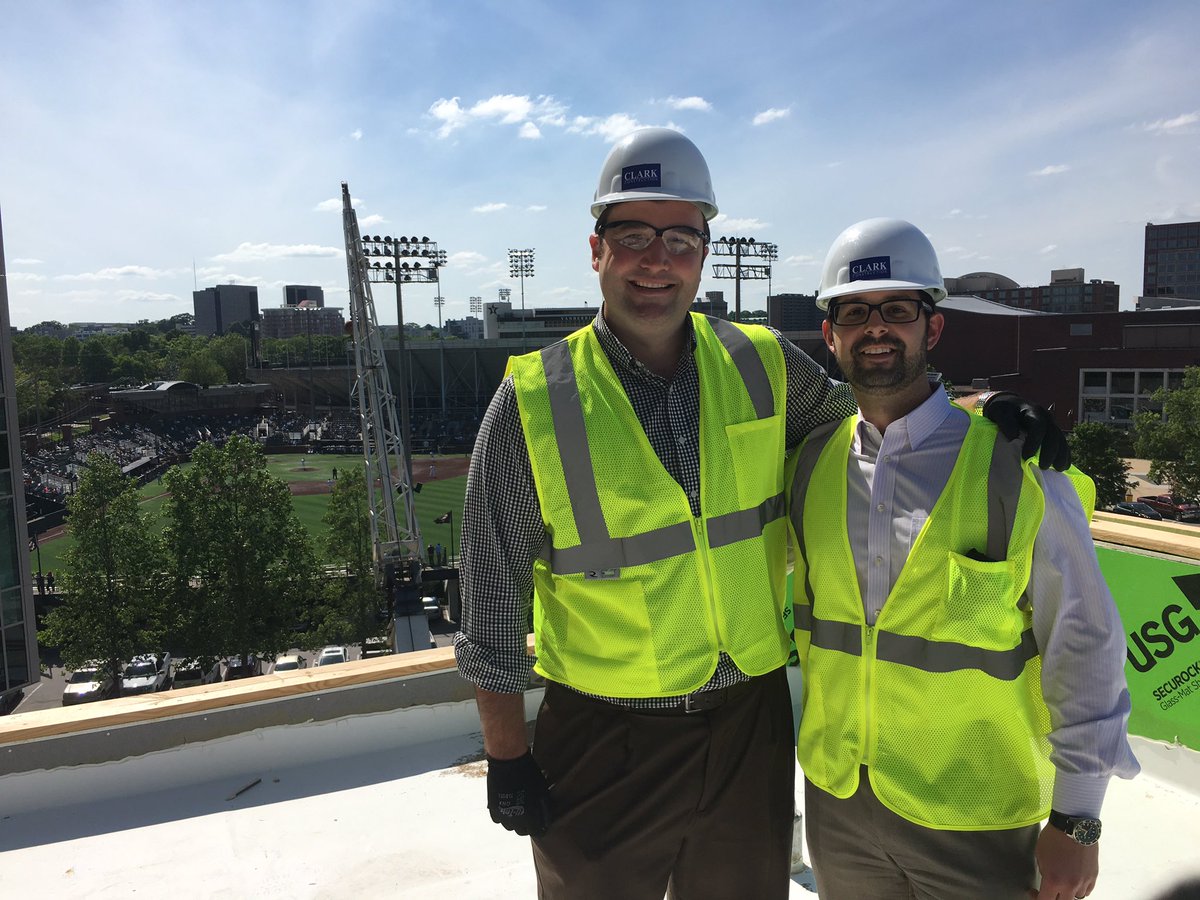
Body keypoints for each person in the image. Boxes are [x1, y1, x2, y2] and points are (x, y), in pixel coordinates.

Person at [454, 131, 1066, 900]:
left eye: (680, 238)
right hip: (606, 734)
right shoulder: (534, 402)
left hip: (749, 721)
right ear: (596, 249)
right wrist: (507, 754)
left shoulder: (761, 361)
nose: (657, 259)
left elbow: (871, 416)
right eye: (633, 235)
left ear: (705, 251)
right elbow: (491, 592)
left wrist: (971, 407)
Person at [786, 218, 1139, 900]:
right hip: (840, 804)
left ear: (932, 328)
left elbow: (1085, 642)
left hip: (978, 815)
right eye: (854, 312)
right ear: (830, 335)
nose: (876, 328)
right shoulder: (809, 467)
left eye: (897, 309)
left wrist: (1079, 816)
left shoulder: (1016, 468)